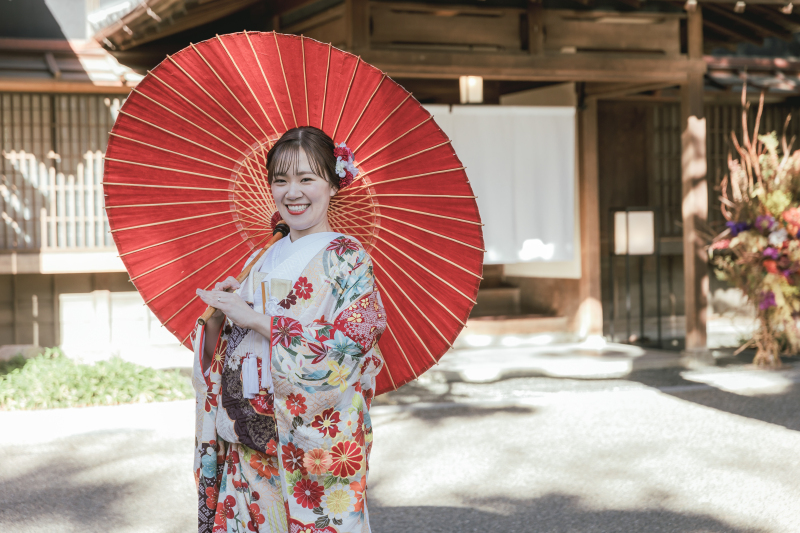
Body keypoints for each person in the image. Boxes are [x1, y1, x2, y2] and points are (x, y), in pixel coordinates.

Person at [192, 126, 386, 533]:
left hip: (308, 447)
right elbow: (228, 350)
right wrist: (218, 319)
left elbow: (349, 347)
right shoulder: (263, 256)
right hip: (247, 441)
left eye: (306, 179)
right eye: (280, 181)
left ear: (333, 183)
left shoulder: (348, 258)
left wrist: (258, 320)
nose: (292, 193)